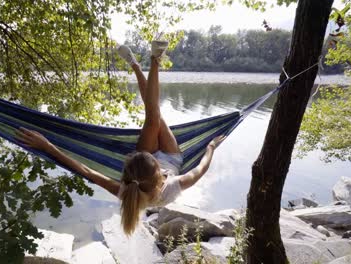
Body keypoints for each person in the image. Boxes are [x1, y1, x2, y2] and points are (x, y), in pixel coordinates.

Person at [17, 40, 225, 235]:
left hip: (150, 161)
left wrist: (47, 146)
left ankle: (148, 61)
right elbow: (201, 169)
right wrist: (211, 147)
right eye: (154, 162)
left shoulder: (125, 190)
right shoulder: (173, 186)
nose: (156, 162)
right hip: (173, 158)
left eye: (145, 156)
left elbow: (86, 170)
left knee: (153, 116)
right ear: (158, 175)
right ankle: (146, 62)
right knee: (156, 115)